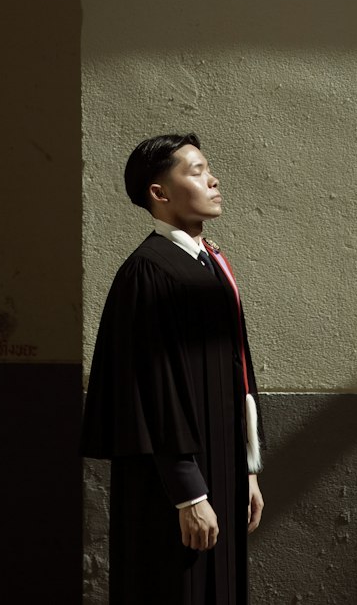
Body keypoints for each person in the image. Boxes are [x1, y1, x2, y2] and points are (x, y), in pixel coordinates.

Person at [82, 133, 265, 605]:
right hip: (175, 484)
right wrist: (189, 495)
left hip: (221, 468)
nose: (213, 179)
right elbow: (153, 389)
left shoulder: (211, 264)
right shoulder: (148, 272)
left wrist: (247, 470)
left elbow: (236, 370)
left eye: (209, 168)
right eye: (197, 170)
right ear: (158, 194)